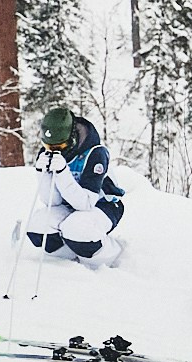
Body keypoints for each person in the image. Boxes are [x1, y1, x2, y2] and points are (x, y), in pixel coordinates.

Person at [26, 106, 126, 266]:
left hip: (103, 204)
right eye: (49, 147)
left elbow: (85, 203)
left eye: (61, 147)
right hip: (69, 204)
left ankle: (107, 256)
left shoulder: (95, 154)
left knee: (77, 229)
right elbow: (53, 201)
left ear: (72, 138)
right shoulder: (49, 151)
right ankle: (68, 260)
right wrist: (42, 174)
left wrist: (62, 172)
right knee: (38, 227)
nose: (55, 151)